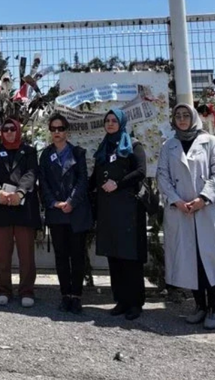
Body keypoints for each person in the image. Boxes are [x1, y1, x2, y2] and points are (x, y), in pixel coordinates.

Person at [157, 103, 215, 330]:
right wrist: (177, 201)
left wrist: (203, 199)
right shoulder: (169, 145)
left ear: (193, 118)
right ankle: (199, 306)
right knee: (190, 261)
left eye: (186, 115)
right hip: (181, 210)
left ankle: (214, 308)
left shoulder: (210, 142)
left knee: (209, 262)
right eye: (178, 115)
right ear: (173, 120)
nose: (182, 119)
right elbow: (162, 175)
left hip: (207, 211)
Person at [91, 109, 147, 320]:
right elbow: (95, 176)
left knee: (130, 257)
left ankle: (135, 303)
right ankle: (121, 300)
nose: (110, 123)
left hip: (129, 209)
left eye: (114, 120)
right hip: (108, 210)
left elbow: (141, 171)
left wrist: (118, 184)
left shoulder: (133, 145)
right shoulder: (104, 146)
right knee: (113, 256)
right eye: (107, 120)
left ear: (122, 123)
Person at [0, 118, 41, 308]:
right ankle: (3, 290)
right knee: (2, 254)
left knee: (26, 254)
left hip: (23, 207)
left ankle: (26, 290)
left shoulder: (29, 151)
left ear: (18, 131)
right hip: (1, 206)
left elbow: (31, 173)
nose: (9, 132)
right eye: (5, 129)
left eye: (12, 129)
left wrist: (20, 192)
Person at [38, 114, 92, 314]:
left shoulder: (78, 153)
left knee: (77, 256)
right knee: (61, 256)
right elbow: (42, 182)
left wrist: (71, 202)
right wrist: (54, 202)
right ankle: (65, 295)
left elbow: (82, 181)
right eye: (53, 129)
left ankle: (76, 296)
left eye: (60, 128)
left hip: (76, 212)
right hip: (56, 213)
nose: (57, 132)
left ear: (66, 131)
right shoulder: (45, 155)